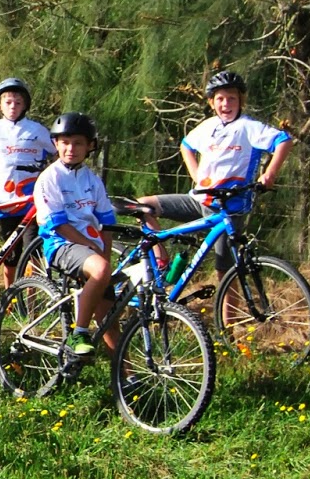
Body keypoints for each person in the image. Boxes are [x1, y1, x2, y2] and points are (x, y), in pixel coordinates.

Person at [134, 70, 293, 277]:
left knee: (225, 274)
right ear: (211, 102)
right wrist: (195, 174)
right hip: (199, 201)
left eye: (232, 99)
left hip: (229, 209)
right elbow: (186, 145)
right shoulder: (208, 126)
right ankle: (161, 259)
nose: (226, 104)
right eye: (220, 99)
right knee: (141, 206)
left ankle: (227, 311)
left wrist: (270, 174)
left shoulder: (248, 127)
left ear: (240, 100)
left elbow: (284, 140)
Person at [32, 112, 118, 357]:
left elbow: (107, 224)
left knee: (110, 315)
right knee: (101, 270)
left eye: (78, 143)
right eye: (65, 142)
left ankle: (126, 375)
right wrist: (93, 250)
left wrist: (105, 257)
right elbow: (58, 225)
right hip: (62, 244)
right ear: (56, 144)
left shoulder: (93, 180)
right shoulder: (50, 178)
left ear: (90, 146)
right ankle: (79, 332)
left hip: (90, 250)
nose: (71, 149)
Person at [0, 77, 55, 287]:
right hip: (4, 202)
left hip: (33, 203)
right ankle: (9, 297)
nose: (12, 106)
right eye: (7, 102)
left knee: (34, 252)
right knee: (10, 256)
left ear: (25, 105)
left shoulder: (38, 130)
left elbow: (57, 155)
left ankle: (32, 306)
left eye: (17, 102)